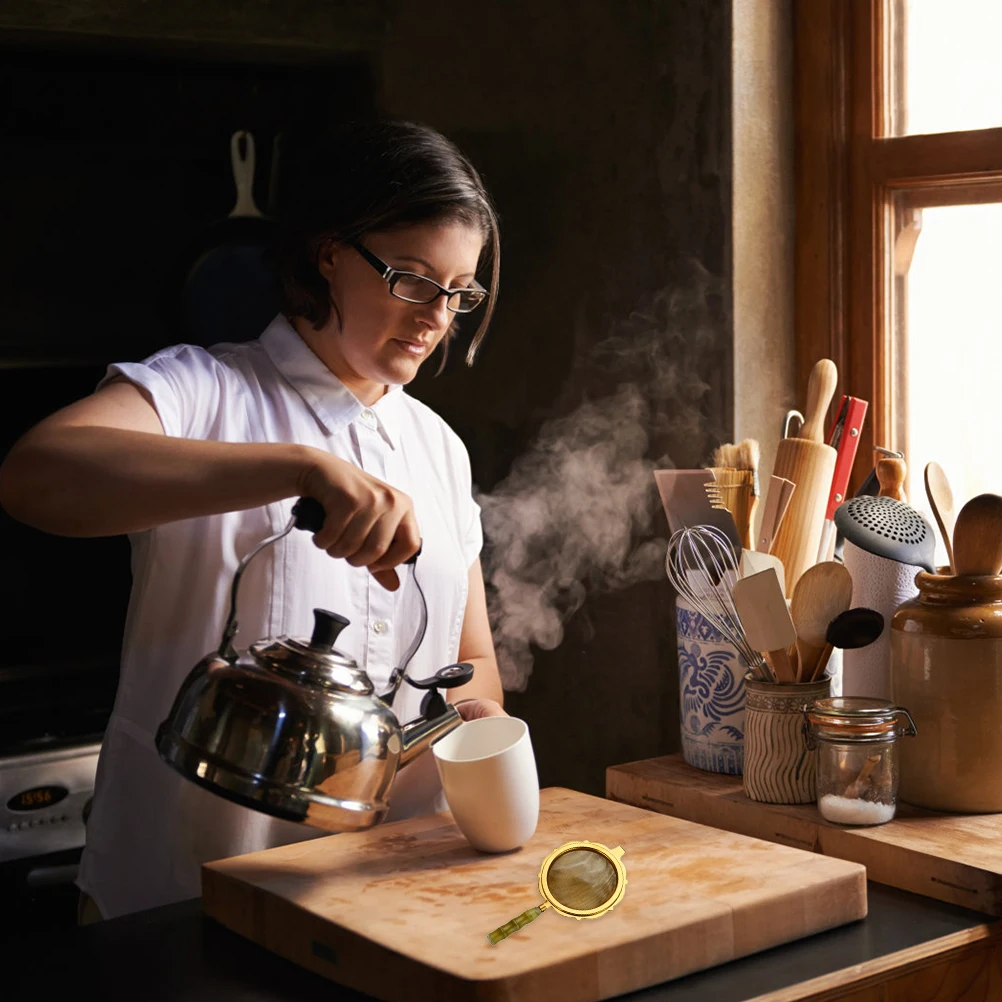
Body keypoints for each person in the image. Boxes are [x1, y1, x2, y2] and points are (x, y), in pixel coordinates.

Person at [0, 119, 506, 922]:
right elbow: (35, 476)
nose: (436, 317)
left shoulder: (438, 448)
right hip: (185, 898)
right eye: (410, 279)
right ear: (328, 251)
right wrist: (297, 468)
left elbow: (468, 658)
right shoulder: (206, 392)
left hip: (387, 907)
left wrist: (485, 723)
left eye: (458, 292)